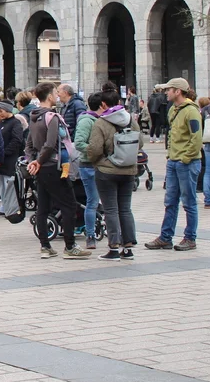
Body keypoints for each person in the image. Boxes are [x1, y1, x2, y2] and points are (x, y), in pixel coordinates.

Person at [25, 83, 92, 260]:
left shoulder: (34, 116)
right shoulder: (52, 117)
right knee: (69, 205)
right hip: (55, 166)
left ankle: (45, 246)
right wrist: (39, 161)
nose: (57, 95)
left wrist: (33, 162)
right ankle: (70, 246)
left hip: (41, 168)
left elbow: (29, 144)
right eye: (55, 92)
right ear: (49, 96)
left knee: (43, 207)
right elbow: (50, 144)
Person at [146, 78, 203, 252]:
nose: (166, 93)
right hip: (173, 161)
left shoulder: (191, 111)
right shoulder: (173, 109)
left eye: (169, 90)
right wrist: (171, 156)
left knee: (189, 202)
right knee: (170, 201)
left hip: (187, 162)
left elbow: (196, 138)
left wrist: (185, 157)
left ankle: (190, 238)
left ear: (178, 91)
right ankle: (165, 237)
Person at [85, 87, 141, 261]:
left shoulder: (101, 123)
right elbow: (140, 143)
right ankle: (128, 247)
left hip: (107, 170)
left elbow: (94, 149)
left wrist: (96, 160)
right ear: (118, 102)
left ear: (103, 104)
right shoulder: (130, 120)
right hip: (129, 170)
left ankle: (114, 248)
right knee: (125, 209)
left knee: (111, 209)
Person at [73, 92, 104, 249]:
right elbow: (79, 142)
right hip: (89, 165)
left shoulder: (101, 119)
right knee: (92, 201)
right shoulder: (86, 120)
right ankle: (90, 235)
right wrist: (95, 151)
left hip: (102, 165)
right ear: (101, 105)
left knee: (107, 203)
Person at [0, 101, 24, 222]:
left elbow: (17, 140)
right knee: (1, 185)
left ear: (8, 110)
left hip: (9, 159)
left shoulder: (15, 123)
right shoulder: (0, 123)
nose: (0, 114)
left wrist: (4, 152)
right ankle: (4, 207)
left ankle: (11, 209)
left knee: (9, 185)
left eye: (1, 111)